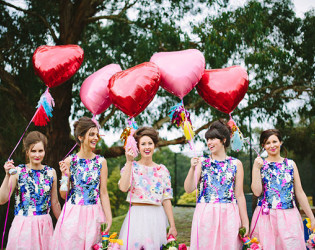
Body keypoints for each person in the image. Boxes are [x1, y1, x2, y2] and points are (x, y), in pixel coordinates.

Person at [184, 120, 249, 249]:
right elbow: (188, 189)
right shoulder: (203, 162)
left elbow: (240, 195)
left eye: (213, 138)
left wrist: (245, 221)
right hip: (206, 212)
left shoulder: (236, 164)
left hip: (229, 212)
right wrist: (192, 169)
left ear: (223, 140)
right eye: (208, 139)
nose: (209, 143)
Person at [53, 116, 112, 249]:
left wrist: (109, 218)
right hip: (73, 214)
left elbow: (103, 193)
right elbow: (63, 195)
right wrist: (65, 175)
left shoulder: (101, 162)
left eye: (97, 134)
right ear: (80, 137)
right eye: (91, 134)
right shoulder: (69, 161)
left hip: (94, 214)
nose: (96, 138)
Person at [251, 129, 315, 249]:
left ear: (280, 142)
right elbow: (257, 191)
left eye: (274, 141)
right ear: (263, 146)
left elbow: (300, 192)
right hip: (266, 217)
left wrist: (311, 216)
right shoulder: (260, 165)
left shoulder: (291, 164)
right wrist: (255, 168)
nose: (272, 145)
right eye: (267, 143)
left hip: (289, 216)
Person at [118, 126, 177, 250]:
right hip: (137, 216)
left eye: (150, 143)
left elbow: (166, 199)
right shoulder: (131, 166)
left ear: (154, 145)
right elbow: (123, 188)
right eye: (143, 144)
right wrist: (129, 162)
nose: (147, 147)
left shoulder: (162, 170)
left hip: (157, 216)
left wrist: (172, 225)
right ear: (138, 147)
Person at [0, 131, 61, 250]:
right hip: (23, 226)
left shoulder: (51, 172)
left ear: (45, 151)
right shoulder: (18, 171)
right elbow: (2, 199)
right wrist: (7, 175)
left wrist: (64, 224)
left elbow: (55, 203)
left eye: (40, 150)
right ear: (27, 152)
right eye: (33, 151)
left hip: (45, 227)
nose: (37, 154)